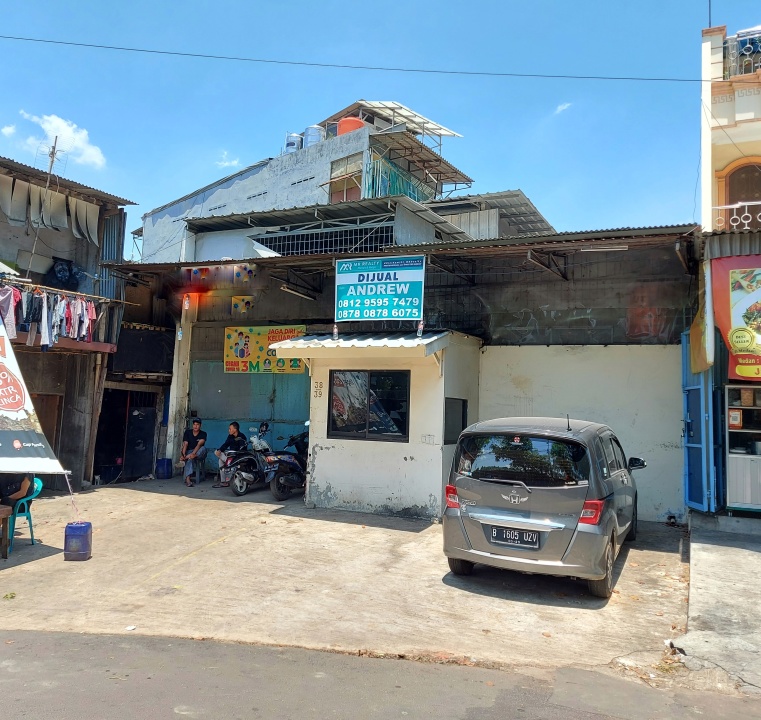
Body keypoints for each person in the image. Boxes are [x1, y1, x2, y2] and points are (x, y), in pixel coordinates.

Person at [212, 421, 248, 488]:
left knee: (221, 460)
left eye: (230, 429)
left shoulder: (242, 437)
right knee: (217, 454)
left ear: (235, 429)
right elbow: (226, 444)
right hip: (230, 456)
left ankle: (229, 465)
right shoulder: (230, 436)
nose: (229, 430)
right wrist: (220, 450)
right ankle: (224, 482)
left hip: (238, 457)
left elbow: (242, 449)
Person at [180, 419, 207, 487]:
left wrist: (192, 454)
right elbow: (185, 444)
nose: (195, 426)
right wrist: (183, 454)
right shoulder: (187, 432)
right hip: (189, 452)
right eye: (194, 424)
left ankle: (187, 457)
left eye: (197, 424)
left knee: (203, 449)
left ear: (200, 425)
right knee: (190, 459)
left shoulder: (203, 434)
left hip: (199, 453)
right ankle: (188, 480)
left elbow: (199, 445)